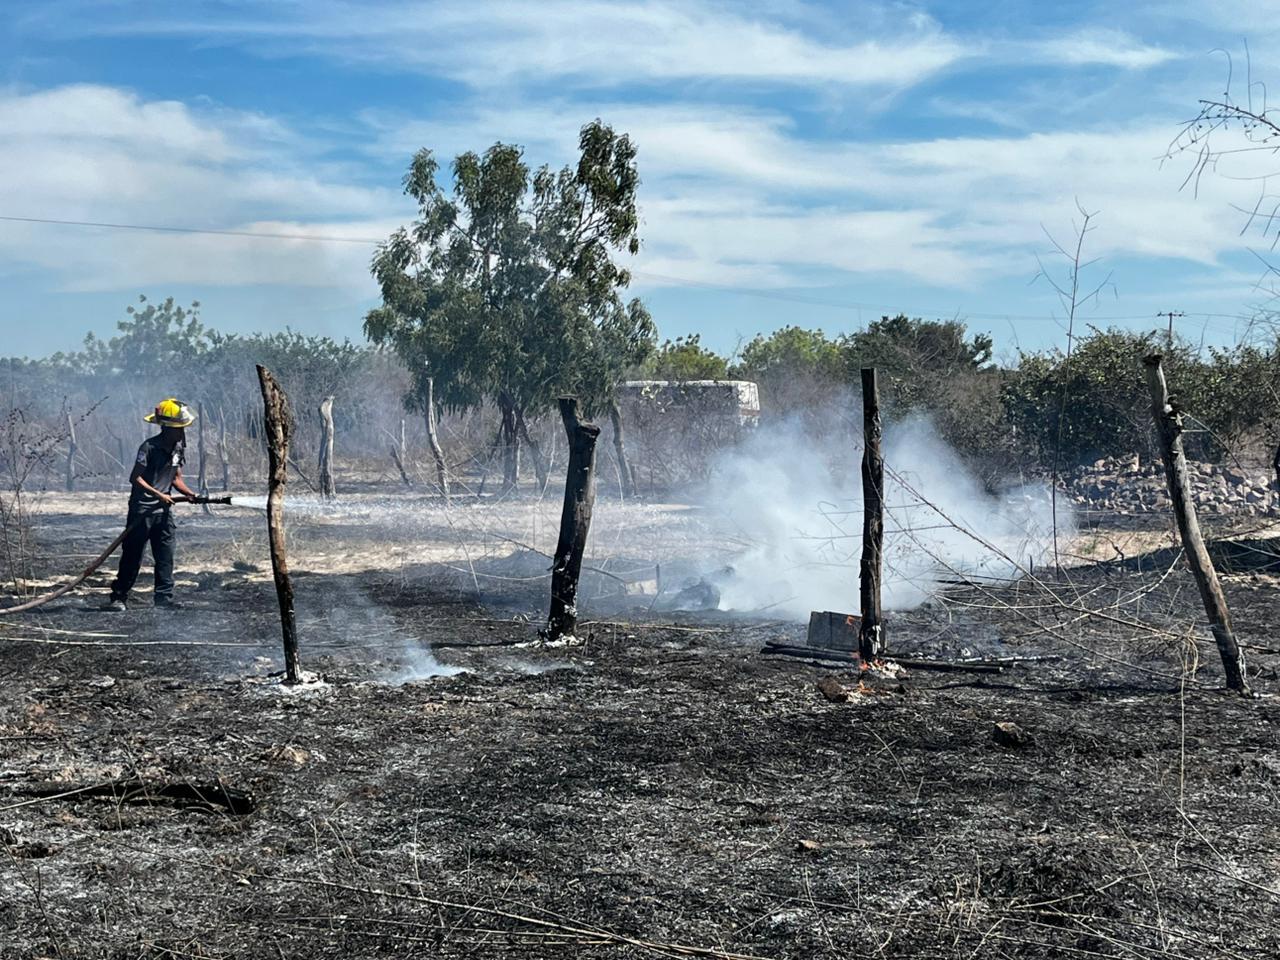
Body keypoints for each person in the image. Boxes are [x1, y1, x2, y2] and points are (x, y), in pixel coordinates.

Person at [101, 399, 199, 611]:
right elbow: (135, 478)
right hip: (142, 510)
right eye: (179, 429)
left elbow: (175, 478)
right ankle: (119, 596)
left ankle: (163, 598)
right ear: (167, 428)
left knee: (165, 554)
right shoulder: (149, 447)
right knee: (133, 555)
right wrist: (158, 494)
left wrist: (190, 494)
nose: (182, 432)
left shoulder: (178, 448)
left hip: (163, 511)